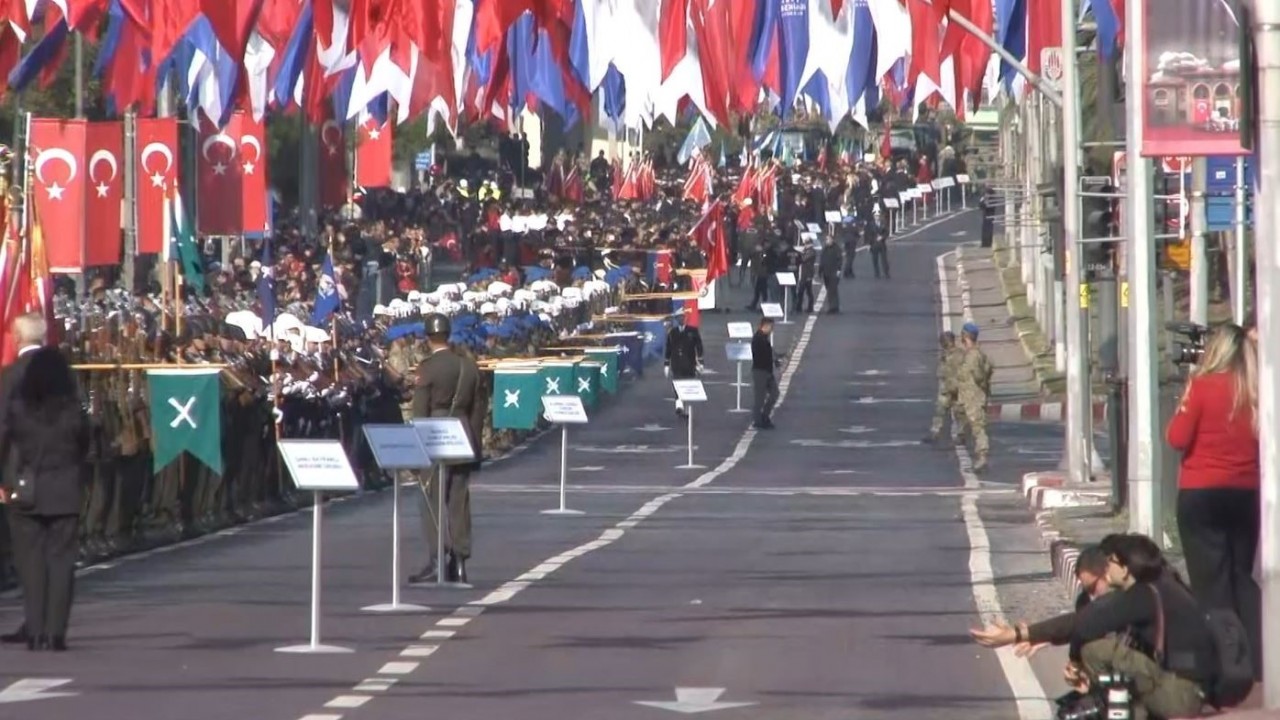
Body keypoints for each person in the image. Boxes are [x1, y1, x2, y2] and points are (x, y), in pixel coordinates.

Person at [1166, 323, 1262, 677]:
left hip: (1201, 492)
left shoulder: (1202, 386)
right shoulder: (1257, 390)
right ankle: (1261, 662)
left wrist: (1186, 399)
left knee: (1210, 582)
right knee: (1240, 575)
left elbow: (1177, 437)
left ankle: (1223, 665)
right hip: (1245, 493)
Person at [0, 313, 90, 651]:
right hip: (64, 486)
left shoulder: (12, 386)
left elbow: (4, 435)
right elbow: (85, 438)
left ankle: (36, 629)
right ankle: (56, 631)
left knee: (30, 561)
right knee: (61, 561)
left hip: (24, 485)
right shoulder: (69, 407)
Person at [1068, 534, 1219, 719]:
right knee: (1121, 648)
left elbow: (1086, 626)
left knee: (1096, 650)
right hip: (1191, 689)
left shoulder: (1143, 594)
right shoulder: (1162, 585)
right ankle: (1130, 710)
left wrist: (1075, 660)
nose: (1107, 567)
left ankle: (1117, 710)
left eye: (1111, 561)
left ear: (1125, 569)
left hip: (1181, 695)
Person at [409, 313, 487, 584]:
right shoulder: (468, 367)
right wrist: (475, 445)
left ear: (428, 337)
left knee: (431, 500)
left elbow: (419, 412)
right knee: (458, 501)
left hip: (434, 435)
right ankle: (460, 560)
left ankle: (437, 558)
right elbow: (478, 410)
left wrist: (415, 451)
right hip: (462, 434)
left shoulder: (427, 368)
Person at [956, 322, 993, 470]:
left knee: (978, 428)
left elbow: (979, 375)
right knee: (971, 425)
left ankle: (982, 456)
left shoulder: (973, 356)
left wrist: (981, 386)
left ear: (965, 336)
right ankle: (963, 438)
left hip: (974, 397)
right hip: (968, 398)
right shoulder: (975, 354)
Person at [924, 331, 964, 444]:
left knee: (958, 412)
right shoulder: (946, 355)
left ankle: (960, 434)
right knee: (941, 411)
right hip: (948, 387)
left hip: (956, 387)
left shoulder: (958, 355)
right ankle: (936, 432)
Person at [664, 312, 704, 419]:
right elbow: (668, 348)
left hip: (689, 363)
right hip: (677, 363)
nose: (681, 319)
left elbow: (699, 346)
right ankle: (679, 404)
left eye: (682, 317)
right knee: (677, 383)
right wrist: (666, 364)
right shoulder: (673, 332)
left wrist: (700, 361)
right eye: (678, 318)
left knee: (688, 384)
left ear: (685, 318)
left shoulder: (693, 331)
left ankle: (686, 408)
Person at [750, 317, 779, 430]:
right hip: (760, 371)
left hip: (766, 371)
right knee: (759, 398)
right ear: (764, 326)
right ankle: (758, 420)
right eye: (770, 327)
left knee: (774, 394)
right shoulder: (758, 339)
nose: (771, 330)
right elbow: (762, 356)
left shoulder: (763, 338)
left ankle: (764, 415)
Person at [818, 235, 842, 314]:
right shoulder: (825, 249)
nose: (827, 241)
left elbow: (839, 260)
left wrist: (838, 270)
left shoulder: (836, 249)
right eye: (826, 239)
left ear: (832, 240)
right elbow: (822, 260)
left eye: (828, 239)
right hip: (826, 272)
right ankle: (832, 306)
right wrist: (820, 271)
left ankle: (834, 307)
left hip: (834, 272)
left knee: (833, 290)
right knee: (829, 290)